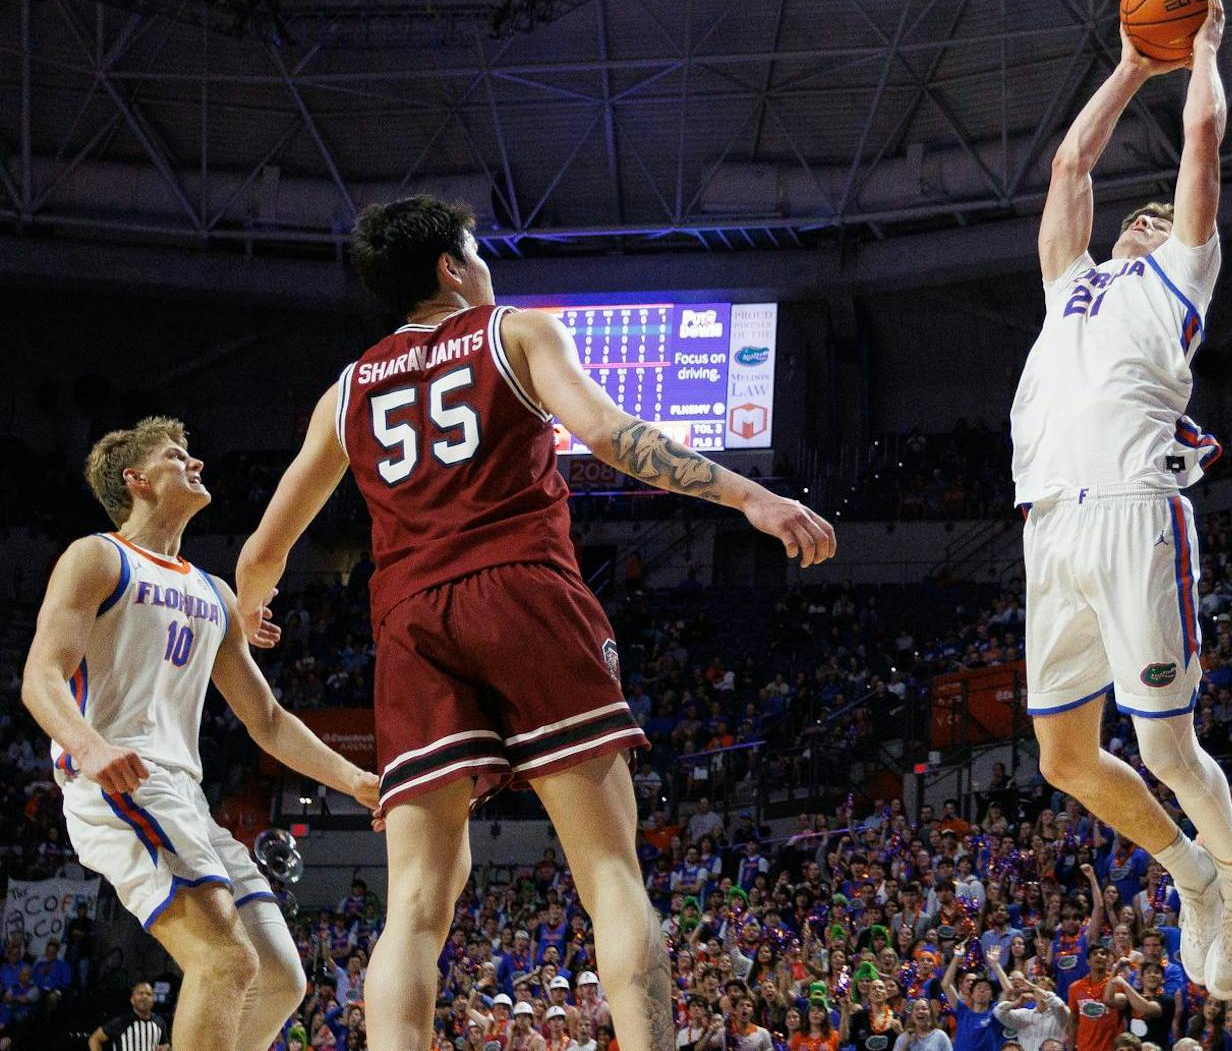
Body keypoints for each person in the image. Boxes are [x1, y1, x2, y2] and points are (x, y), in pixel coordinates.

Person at [236, 197, 835, 1051]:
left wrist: (254, 601)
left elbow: (266, 546)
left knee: (412, 906)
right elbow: (610, 435)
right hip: (521, 590)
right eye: (475, 252)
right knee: (608, 872)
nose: (485, 266)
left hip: (408, 620)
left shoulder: (347, 390)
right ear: (450, 267)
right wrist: (751, 495)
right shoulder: (511, 332)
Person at [1010, 0, 1232, 1001]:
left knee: (1164, 740)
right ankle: (1190, 874)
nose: (1148, 214)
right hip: (1047, 522)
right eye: (1141, 210)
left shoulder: (1179, 279)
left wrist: (1196, 51)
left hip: (1129, 509)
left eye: (1163, 214)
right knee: (1063, 758)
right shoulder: (1070, 282)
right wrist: (1126, 63)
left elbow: (1202, 133)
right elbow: (1072, 167)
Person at [22, 417, 381, 1050]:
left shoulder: (213, 593)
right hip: (117, 781)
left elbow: (267, 720)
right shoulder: (98, 556)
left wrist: (356, 780)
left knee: (277, 977)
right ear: (137, 480)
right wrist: (91, 745)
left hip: (184, 795)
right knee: (225, 961)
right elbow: (40, 677)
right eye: (176, 455)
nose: (197, 464)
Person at [88, 982, 166, 1051]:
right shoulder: (120, 1022)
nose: (145, 997)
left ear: (153, 999)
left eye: (148, 994)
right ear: (132, 1000)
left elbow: (165, 1044)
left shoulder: (160, 1022)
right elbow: (94, 1039)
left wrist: (166, 1047)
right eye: (140, 993)